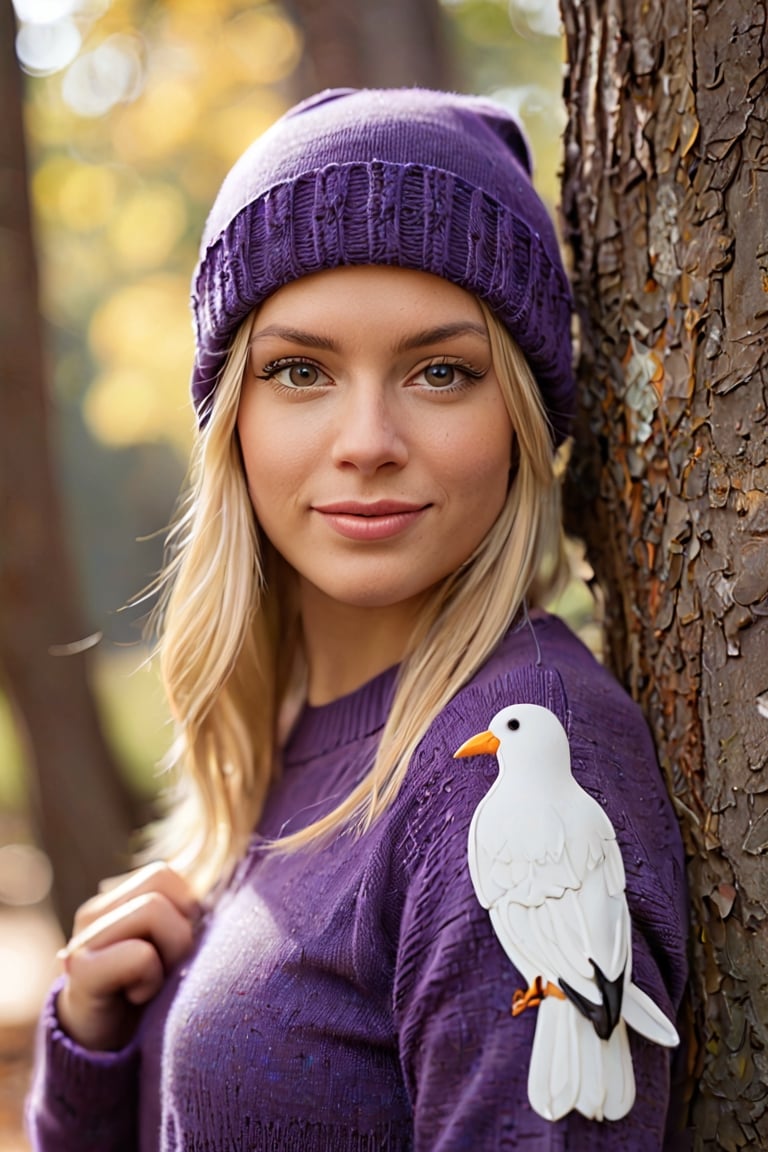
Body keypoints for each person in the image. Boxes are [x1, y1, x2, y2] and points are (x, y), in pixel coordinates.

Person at [27, 87, 689, 1151]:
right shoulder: (279, 737)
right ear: (231, 415)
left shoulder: (511, 774)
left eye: (441, 372)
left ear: (519, 416)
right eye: (301, 371)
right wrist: (95, 1065)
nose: (368, 439)